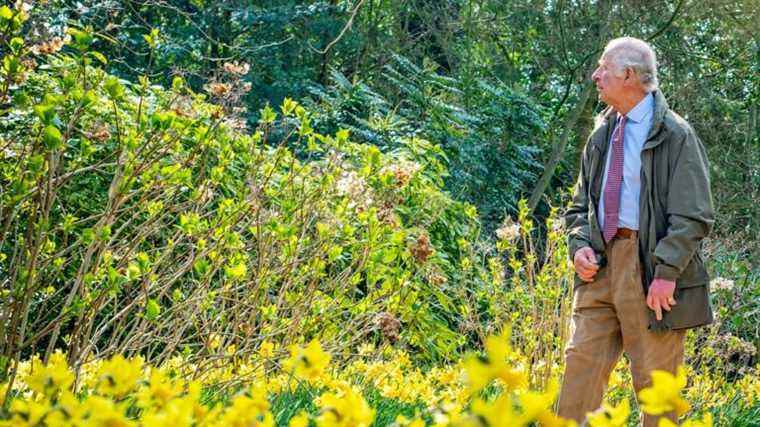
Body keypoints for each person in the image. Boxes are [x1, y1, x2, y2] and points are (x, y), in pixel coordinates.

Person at [559, 37, 714, 426]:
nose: (595, 76)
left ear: (628, 75)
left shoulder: (676, 135)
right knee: (576, 386)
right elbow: (579, 207)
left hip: (651, 272)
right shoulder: (602, 133)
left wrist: (665, 274)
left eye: (603, 68)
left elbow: (693, 215)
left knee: (657, 396)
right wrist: (578, 245)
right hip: (600, 268)